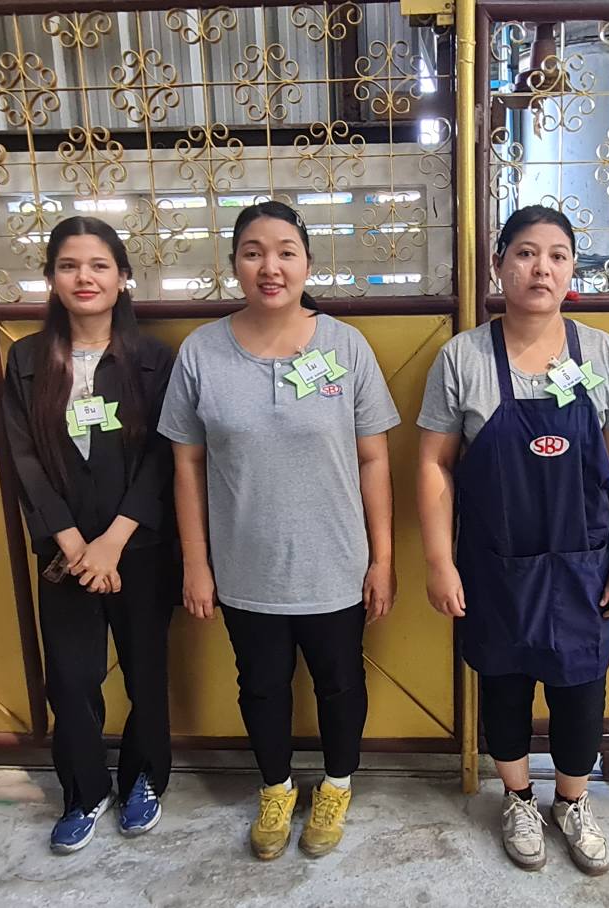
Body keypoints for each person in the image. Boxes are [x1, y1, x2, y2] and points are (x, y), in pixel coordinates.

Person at [156, 201, 400, 861]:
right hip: (245, 567)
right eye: (254, 252)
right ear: (235, 264)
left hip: (336, 565)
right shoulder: (202, 353)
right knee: (260, 686)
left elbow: (374, 460)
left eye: (286, 252)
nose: (271, 266)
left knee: (340, 683)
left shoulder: (345, 346)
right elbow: (186, 467)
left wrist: (382, 560)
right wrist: (196, 564)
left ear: (307, 264)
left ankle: (337, 786)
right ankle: (276, 789)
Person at [416, 205, 609, 876]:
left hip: (585, 563)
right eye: (524, 253)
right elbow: (433, 464)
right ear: (498, 266)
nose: (540, 268)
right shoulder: (462, 358)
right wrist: (439, 561)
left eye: (556, 255)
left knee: (582, 690)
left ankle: (572, 801)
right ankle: (517, 799)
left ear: (572, 270)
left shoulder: (602, 355)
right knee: (504, 685)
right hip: (495, 563)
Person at [1, 216, 178, 854]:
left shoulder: (153, 359)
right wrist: (74, 543)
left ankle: (144, 780)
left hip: (139, 547)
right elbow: (23, 458)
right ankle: (84, 790)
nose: (85, 277)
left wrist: (114, 541)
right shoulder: (26, 360)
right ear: (51, 277)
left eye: (100, 265)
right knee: (71, 680)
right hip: (66, 553)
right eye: (69, 265)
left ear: (123, 277)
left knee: (145, 671)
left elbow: (164, 456)